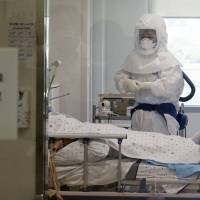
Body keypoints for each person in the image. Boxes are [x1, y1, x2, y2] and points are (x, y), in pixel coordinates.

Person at [114, 14, 184, 135]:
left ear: (159, 36)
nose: (145, 39)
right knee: (137, 150)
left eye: (150, 36)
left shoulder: (166, 59)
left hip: (161, 116)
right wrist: (125, 82)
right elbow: (120, 76)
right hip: (138, 113)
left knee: (160, 150)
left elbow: (172, 85)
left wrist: (149, 86)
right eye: (143, 35)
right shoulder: (133, 58)